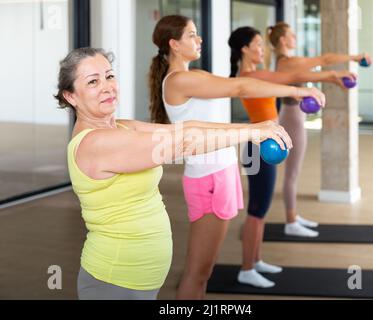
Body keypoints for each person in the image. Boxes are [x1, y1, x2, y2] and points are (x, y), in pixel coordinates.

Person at [55, 47, 292, 300]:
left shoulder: (123, 126)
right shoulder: (95, 144)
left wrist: (254, 127)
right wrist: (250, 134)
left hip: (138, 280)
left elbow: (185, 129)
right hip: (114, 281)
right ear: (71, 96)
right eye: (93, 81)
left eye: (109, 76)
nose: (107, 86)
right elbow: (182, 144)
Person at [148, 15, 325, 299]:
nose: (199, 39)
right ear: (174, 44)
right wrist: (296, 90)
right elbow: (239, 87)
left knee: (204, 272)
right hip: (209, 179)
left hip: (221, 173)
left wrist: (297, 85)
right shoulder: (180, 80)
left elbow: (243, 83)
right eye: (192, 35)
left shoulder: (198, 75)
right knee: (198, 272)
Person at [228, 26, 356, 288]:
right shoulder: (251, 75)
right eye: (257, 44)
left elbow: (292, 76)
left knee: (261, 209)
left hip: (265, 143)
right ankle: (246, 268)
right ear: (244, 49)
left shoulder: (254, 74)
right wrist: (332, 76)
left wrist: (331, 78)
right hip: (258, 146)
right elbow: (292, 76)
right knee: (257, 210)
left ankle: (257, 260)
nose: (262, 49)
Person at [265, 22, 371, 237]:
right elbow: (324, 61)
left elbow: (316, 73)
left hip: (293, 114)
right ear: (283, 40)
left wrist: (334, 77)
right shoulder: (288, 62)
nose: (295, 37)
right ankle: (291, 221)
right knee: (292, 174)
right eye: (291, 34)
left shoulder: (286, 62)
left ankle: (293, 216)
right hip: (292, 117)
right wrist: (354, 57)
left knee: (294, 173)